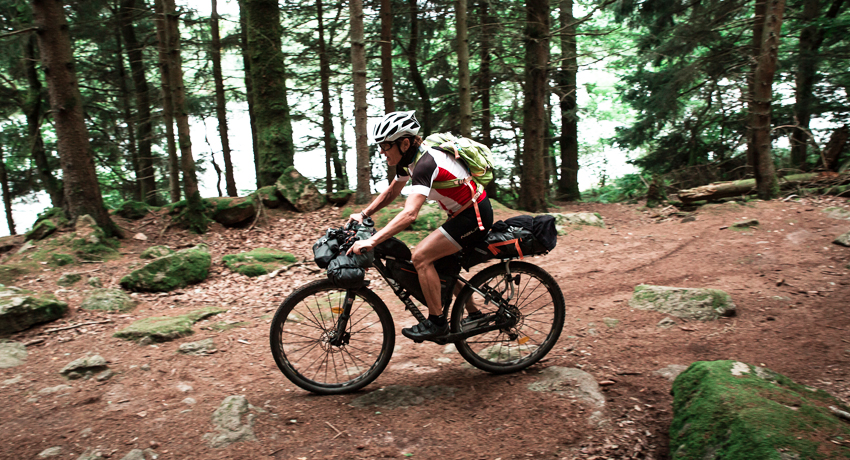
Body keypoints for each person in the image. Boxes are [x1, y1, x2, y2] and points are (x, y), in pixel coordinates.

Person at [347, 111, 494, 341]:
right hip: (461, 213)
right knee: (442, 263)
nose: (382, 152)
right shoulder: (409, 160)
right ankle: (475, 314)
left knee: (421, 257)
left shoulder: (426, 163)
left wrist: (373, 240)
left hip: (475, 216)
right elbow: (392, 192)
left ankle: (437, 322)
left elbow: (410, 214)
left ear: (404, 143)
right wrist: (364, 213)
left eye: (386, 146)